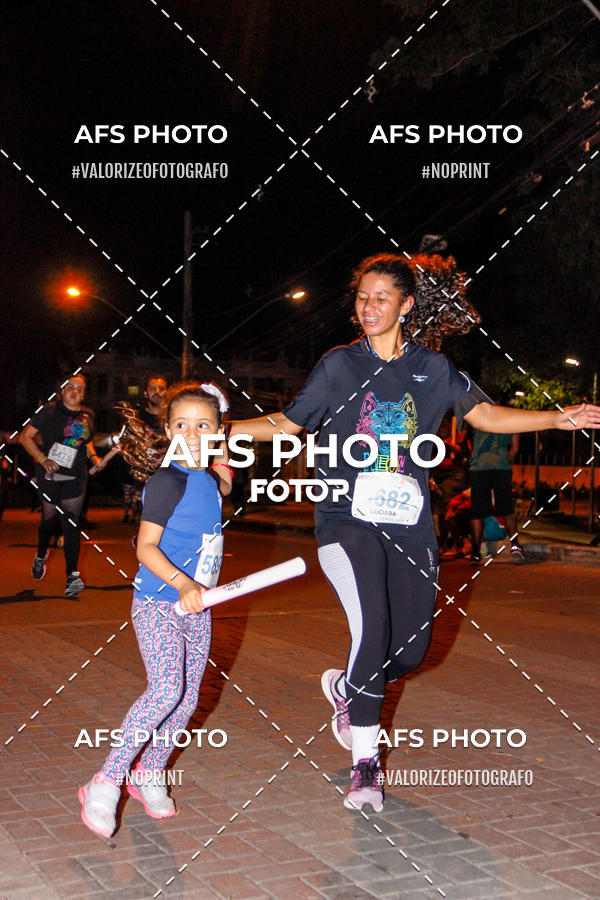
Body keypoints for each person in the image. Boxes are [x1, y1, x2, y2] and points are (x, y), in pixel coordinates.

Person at [230, 252, 600, 813]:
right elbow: (288, 422)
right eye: (361, 298)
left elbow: (486, 415)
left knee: (409, 652)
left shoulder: (435, 369)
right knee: (373, 632)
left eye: (381, 298)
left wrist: (555, 417)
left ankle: (345, 688)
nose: (368, 307)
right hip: (343, 520)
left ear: (406, 305)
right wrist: (215, 431)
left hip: (407, 524)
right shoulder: (338, 365)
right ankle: (365, 769)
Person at [78, 381, 232, 838]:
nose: (191, 432)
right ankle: (106, 780)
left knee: (187, 700)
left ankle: (151, 771)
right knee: (166, 690)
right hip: (158, 603)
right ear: (167, 429)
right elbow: (145, 548)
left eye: (203, 424)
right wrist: (185, 584)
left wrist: (199, 589)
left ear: (218, 432)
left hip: (198, 607)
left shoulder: (209, 482)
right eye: (181, 424)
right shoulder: (167, 481)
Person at [19, 375, 104, 596]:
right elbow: (25, 437)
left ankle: (71, 576)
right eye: (70, 387)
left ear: (84, 394)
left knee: (71, 525)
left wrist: (95, 458)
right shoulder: (48, 411)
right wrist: (42, 459)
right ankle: (40, 554)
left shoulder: (88, 415)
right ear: (62, 391)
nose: (74, 391)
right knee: (48, 522)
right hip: (50, 474)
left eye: (79, 389)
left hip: (76, 476)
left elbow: (86, 443)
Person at [469, 425, 523, 564]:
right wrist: (505, 460)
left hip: (479, 466)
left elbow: (466, 440)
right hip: (501, 465)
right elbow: (515, 448)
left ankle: (476, 551)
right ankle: (515, 545)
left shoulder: (478, 413)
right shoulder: (510, 417)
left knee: (477, 511)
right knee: (507, 508)